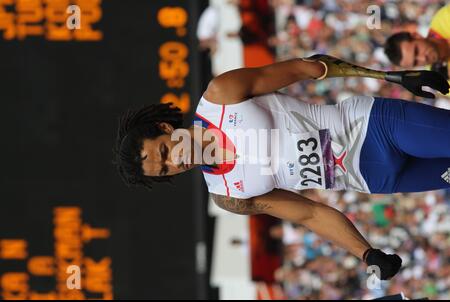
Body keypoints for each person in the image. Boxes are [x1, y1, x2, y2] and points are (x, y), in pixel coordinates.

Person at [114, 54, 450, 280]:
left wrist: (391, 75)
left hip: (375, 125)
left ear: (164, 129)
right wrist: (367, 253)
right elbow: (310, 214)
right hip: (374, 177)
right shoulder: (228, 196)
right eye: (164, 170)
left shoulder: (221, 96)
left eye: (163, 152)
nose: (174, 162)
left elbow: (309, 67)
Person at [384, 4, 450, 79]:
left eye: (416, 51)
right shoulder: (438, 80)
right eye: (415, 62)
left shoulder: (445, 18)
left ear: (416, 35)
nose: (423, 58)